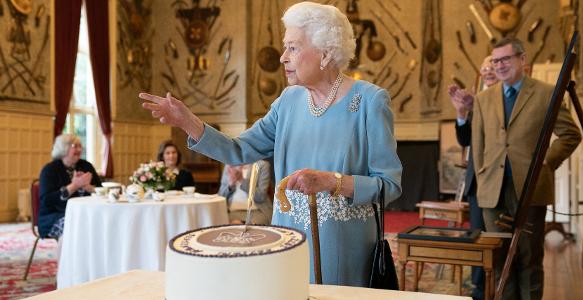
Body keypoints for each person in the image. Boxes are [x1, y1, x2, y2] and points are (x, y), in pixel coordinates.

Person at [139, 1, 402, 287]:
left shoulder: (369, 101)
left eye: (293, 47)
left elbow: (389, 185)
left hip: (342, 248)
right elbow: (238, 150)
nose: (282, 57)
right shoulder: (287, 102)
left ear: (325, 53)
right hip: (287, 241)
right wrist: (188, 121)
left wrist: (333, 182)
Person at [472, 37, 581, 299]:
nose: (499, 65)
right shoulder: (483, 99)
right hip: (493, 194)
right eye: (495, 60)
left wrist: (548, 162)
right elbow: (478, 146)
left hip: (530, 190)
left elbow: (570, 134)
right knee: (499, 260)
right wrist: (483, 176)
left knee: (529, 260)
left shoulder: (546, 93)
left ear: (522, 59)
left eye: (505, 59)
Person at [447, 56, 498, 300]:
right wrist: (461, 113)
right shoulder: (475, 98)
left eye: (493, 66)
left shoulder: (505, 100)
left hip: (502, 182)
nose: (488, 71)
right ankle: (478, 290)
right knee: (477, 239)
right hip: (477, 182)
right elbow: (465, 140)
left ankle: (500, 286)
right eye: (485, 67)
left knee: (498, 240)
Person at [39, 134, 102, 239]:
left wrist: (88, 187)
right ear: (64, 148)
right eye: (75, 146)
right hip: (54, 216)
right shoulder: (50, 170)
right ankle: (68, 256)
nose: (79, 149)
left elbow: (101, 190)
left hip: (86, 214)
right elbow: (46, 200)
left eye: (80, 146)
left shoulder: (86, 166)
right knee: (74, 227)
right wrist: (74, 186)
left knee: (100, 222)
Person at [218, 160, 272, 225]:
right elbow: (221, 196)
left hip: (256, 211)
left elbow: (261, 197)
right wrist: (230, 185)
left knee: (249, 229)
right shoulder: (229, 165)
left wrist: (241, 180)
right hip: (232, 212)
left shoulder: (262, 165)